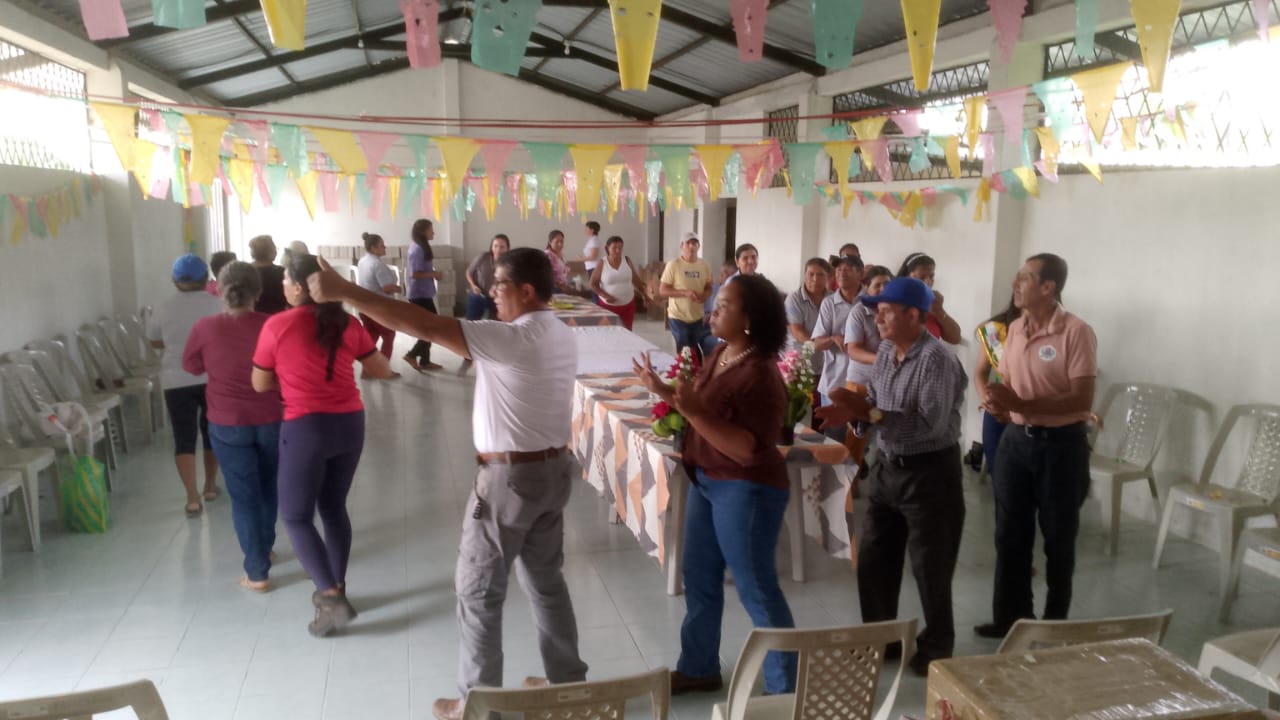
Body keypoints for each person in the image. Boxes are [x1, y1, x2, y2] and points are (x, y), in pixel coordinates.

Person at [305, 248, 589, 720]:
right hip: (551, 472)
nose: (491, 293)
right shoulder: (558, 330)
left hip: (510, 481)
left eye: (500, 285)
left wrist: (347, 291)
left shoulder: (514, 337)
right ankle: (567, 686)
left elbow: (424, 326)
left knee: (478, 591)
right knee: (546, 583)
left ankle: (478, 704)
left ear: (527, 291)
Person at [633, 274, 796, 697]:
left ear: (749, 319)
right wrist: (661, 389)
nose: (712, 312)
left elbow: (746, 449)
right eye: (716, 304)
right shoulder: (722, 352)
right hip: (707, 480)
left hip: (746, 488)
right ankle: (699, 666)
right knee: (700, 576)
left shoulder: (760, 375)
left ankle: (786, 690)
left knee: (756, 586)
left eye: (724, 306)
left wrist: (691, 413)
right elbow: (700, 406)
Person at [816, 277, 967, 677]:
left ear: (914, 315)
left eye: (885, 312)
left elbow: (930, 426)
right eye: (876, 312)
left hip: (930, 473)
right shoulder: (885, 351)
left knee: (930, 565)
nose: (877, 319)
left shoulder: (937, 359)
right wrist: (857, 413)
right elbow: (876, 403)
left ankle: (937, 646)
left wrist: (869, 413)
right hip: (888, 468)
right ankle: (880, 639)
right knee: (874, 558)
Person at [251, 254, 394, 636]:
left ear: (300, 287)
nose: (282, 286)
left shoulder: (277, 325)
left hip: (305, 427)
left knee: (297, 516)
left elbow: (260, 383)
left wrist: (294, 376)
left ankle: (330, 598)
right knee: (332, 507)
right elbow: (381, 369)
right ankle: (338, 587)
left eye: (285, 280)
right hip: (350, 424)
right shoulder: (347, 323)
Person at [975, 254, 1096, 641]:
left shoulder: (1076, 332)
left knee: (1058, 537)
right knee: (1009, 532)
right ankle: (1011, 618)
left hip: (1061, 447)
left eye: (1025, 277)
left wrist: (1023, 404)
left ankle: (1053, 624)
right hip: (1016, 442)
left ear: (1048, 287)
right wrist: (998, 401)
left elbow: (1082, 398)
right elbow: (1009, 384)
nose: (1016, 283)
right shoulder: (1014, 329)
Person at [183, 261, 284, 592]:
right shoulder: (273, 325)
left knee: (243, 496)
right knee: (268, 486)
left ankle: (257, 571)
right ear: (259, 292)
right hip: (271, 418)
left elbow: (191, 366)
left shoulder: (205, 327)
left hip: (227, 422)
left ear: (219, 290)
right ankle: (265, 547)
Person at [148, 253, 223, 517]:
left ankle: (192, 498)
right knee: (212, 432)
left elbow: (155, 341)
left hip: (176, 379)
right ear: (206, 278)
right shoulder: (216, 305)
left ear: (174, 279)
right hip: (211, 378)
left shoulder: (163, 307)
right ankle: (210, 486)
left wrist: (176, 343)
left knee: (184, 437)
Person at [842, 265, 893, 464]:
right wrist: (882, 360)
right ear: (866, 287)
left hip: (886, 388)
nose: (883, 289)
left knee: (881, 430)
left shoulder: (894, 310)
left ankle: (875, 473)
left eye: (887, 284)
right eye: (877, 285)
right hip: (860, 386)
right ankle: (849, 480)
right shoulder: (858, 312)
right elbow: (853, 350)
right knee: (856, 439)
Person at [811, 255, 865, 442]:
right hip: (834, 383)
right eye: (839, 269)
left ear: (860, 274)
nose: (841, 273)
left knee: (861, 439)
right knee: (834, 439)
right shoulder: (829, 303)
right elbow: (816, 344)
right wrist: (833, 339)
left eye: (848, 269)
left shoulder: (869, 301)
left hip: (862, 385)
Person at [972, 296, 1021, 474]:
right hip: (999, 412)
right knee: (1000, 476)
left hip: (1034, 414)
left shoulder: (1057, 333)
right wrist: (986, 398)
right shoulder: (995, 331)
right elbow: (980, 373)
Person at [659, 232, 716, 360]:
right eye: (688, 243)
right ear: (682, 246)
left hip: (697, 317)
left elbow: (709, 287)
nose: (691, 246)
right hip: (678, 316)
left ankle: (697, 371)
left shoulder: (704, 265)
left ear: (699, 246)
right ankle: (684, 371)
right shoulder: (673, 265)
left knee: (695, 348)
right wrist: (684, 293)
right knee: (684, 349)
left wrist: (705, 295)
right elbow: (662, 291)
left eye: (694, 243)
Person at [460, 234, 510, 375]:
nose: (498, 249)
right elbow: (469, 272)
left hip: (496, 298)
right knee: (470, 327)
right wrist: (473, 285)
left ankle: (492, 360)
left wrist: (498, 289)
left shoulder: (509, 263)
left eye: (502, 247)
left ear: (507, 248)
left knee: (496, 328)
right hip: (478, 295)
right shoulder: (483, 257)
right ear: (491, 247)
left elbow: (510, 280)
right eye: (495, 246)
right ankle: (467, 358)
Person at [355, 232, 402, 371]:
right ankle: (383, 369)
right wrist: (400, 288)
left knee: (371, 337)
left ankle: (368, 369)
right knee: (388, 335)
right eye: (382, 245)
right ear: (373, 248)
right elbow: (387, 288)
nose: (385, 247)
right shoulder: (377, 264)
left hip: (365, 307)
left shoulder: (362, 261)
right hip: (379, 308)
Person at [404, 219, 444, 372]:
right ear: (422, 232)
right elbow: (415, 274)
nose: (433, 232)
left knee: (426, 328)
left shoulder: (422, 247)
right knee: (431, 328)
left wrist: (433, 274)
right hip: (418, 295)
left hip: (424, 293)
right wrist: (434, 274)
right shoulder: (417, 249)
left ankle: (425, 361)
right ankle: (412, 355)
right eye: (430, 229)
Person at [896, 252, 961, 344]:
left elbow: (955, 339)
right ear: (906, 278)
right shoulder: (894, 305)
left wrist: (939, 311)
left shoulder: (931, 305)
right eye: (921, 277)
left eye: (931, 276)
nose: (928, 282)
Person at [784, 258, 830, 373]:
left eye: (820, 275)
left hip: (824, 362)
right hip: (798, 360)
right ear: (805, 275)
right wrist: (817, 344)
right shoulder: (794, 299)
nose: (815, 279)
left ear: (827, 277)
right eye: (811, 274)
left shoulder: (832, 298)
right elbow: (797, 332)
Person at [590, 236, 645, 331]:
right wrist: (605, 295)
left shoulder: (626, 260)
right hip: (608, 306)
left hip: (628, 305)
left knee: (627, 332)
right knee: (609, 332)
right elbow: (593, 284)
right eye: (614, 248)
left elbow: (635, 279)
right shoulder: (602, 263)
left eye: (620, 248)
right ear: (607, 248)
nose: (618, 250)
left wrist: (644, 294)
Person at [249, 235, 288, 314]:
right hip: (277, 316)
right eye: (275, 248)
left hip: (252, 316)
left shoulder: (244, 271)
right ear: (270, 251)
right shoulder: (282, 272)